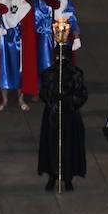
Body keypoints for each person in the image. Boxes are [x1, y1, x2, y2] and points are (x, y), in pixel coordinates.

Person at [37, 43, 87, 191]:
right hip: (53, 116)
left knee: (69, 147)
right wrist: (53, 98)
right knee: (51, 147)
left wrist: (68, 100)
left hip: (70, 117)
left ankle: (68, 177)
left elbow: (82, 95)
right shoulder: (48, 74)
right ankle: (52, 176)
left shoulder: (75, 74)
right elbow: (43, 93)